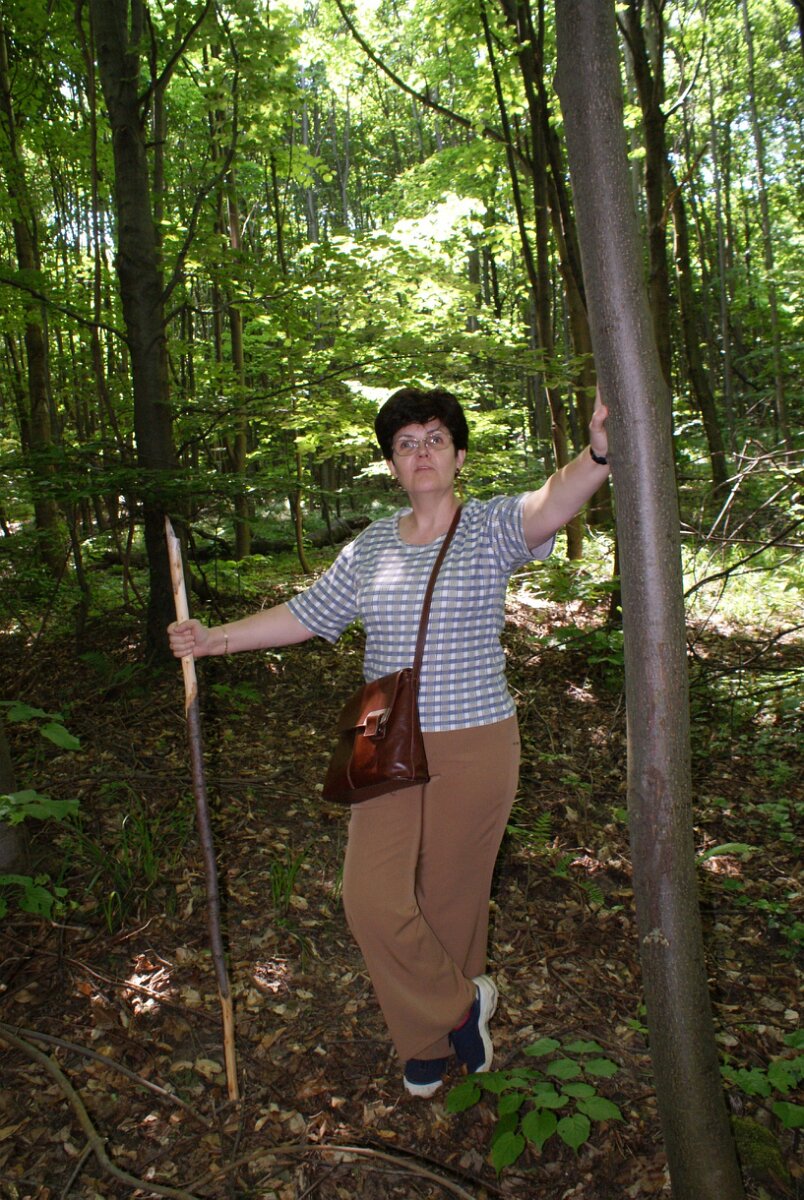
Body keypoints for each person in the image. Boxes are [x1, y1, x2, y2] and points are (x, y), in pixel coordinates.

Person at [168, 386, 610, 1098]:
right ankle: (462, 1006)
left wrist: (598, 454)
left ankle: (429, 1042)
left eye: (436, 438)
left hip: (475, 737)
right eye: (406, 443)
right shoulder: (372, 544)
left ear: (459, 456)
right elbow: (308, 614)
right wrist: (213, 639)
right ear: (392, 464)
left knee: (452, 896)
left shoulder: (490, 526)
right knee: (369, 896)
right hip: (382, 734)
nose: (422, 452)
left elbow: (552, 501)